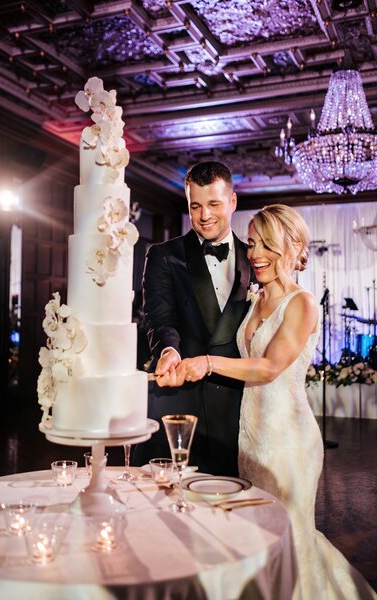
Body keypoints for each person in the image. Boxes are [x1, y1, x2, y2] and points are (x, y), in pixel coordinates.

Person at [160, 204, 376, 599]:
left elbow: (270, 367)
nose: (255, 254)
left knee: (290, 541)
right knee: (259, 539)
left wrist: (207, 363)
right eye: (254, 243)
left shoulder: (303, 303)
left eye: (267, 246)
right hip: (252, 436)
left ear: (292, 249)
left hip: (288, 442)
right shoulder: (254, 299)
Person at [132, 161, 253, 476]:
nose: (204, 215)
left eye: (214, 204)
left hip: (239, 407)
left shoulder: (256, 259)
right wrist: (167, 350)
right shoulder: (163, 255)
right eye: (195, 206)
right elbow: (158, 316)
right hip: (179, 403)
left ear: (233, 201)